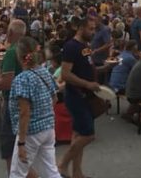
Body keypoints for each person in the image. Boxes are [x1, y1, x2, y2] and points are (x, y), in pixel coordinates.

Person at [8, 37, 60, 178]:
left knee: (17, 173)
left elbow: (25, 112)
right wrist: (44, 112)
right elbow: (55, 97)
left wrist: (21, 143)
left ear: (19, 56)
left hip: (31, 132)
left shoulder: (22, 79)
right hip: (48, 127)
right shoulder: (44, 72)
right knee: (50, 171)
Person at [58, 16, 101, 178]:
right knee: (88, 134)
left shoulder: (86, 46)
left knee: (77, 134)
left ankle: (77, 173)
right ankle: (62, 164)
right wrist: (87, 84)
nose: (93, 32)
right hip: (76, 95)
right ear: (80, 28)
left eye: (94, 29)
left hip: (86, 95)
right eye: (90, 29)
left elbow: (88, 67)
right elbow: (65, 74)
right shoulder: (71, 46)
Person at [0, 19, 26, 172]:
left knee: (9, 143)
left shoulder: (11, 52)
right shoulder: (28, 50)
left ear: (10, 33)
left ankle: (13, 175)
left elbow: (7, 82)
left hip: (13, 101)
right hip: (27, 101)